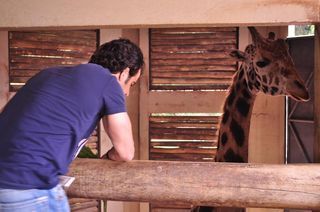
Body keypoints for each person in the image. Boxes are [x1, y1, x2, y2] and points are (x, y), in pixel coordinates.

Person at [0, 38, 144, 211]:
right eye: (132, 84)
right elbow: (126, 152)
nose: (127, 93)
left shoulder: (47, 74)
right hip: (28, 187)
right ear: (124, 73)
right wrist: (108, 158)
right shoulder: (109, 82)